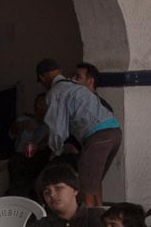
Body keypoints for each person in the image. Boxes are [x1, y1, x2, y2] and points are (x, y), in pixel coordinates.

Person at [36, 58, 122, 208]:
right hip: (115, 132)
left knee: (85, 188)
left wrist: (56, 151)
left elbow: (57, 130)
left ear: (42, 78)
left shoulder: (55, 92)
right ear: (60, 72)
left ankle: (89, 219)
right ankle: (99, 214)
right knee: (94, 180)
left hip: (98, 136)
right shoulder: (74, 86)